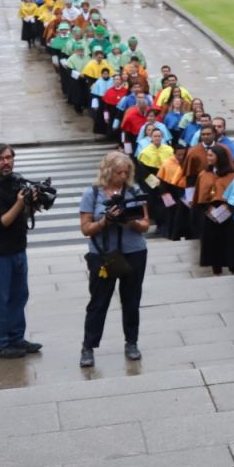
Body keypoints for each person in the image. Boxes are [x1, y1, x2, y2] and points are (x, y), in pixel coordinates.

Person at [78, 151, 154, 367]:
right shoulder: (92, 193)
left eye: (126, 172)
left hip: (134, 252)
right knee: (98, 302)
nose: (122, 176)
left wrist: (130, 221)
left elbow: (145, 224)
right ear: (107, 171)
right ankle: (88, 347)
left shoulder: (134, 191)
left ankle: (131, 342)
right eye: (118, 172)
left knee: (131, 300)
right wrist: (105, 221)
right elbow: (86, 229)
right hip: (103, 255)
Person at [0, 143, 39, 360]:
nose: (7, 162)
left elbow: (23, 212)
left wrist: (32, 202)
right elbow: (1, 222)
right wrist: (20, 204)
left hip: (17, 248)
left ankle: (16, 338)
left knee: (19, 296)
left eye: (9, 157)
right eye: (1, 159)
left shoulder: (14, 181)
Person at [193, 141, 234, 276]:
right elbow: (200, 194)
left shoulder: (233, 175)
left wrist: (226, 209)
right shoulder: (204, 174)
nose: (208, 158)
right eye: (207, 156)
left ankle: (232, 267)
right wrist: (208, 210)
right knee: (213, 242)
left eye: (211, 156)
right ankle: (216, 268)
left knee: (229, 241)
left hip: (228, 210)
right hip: (209, 211)